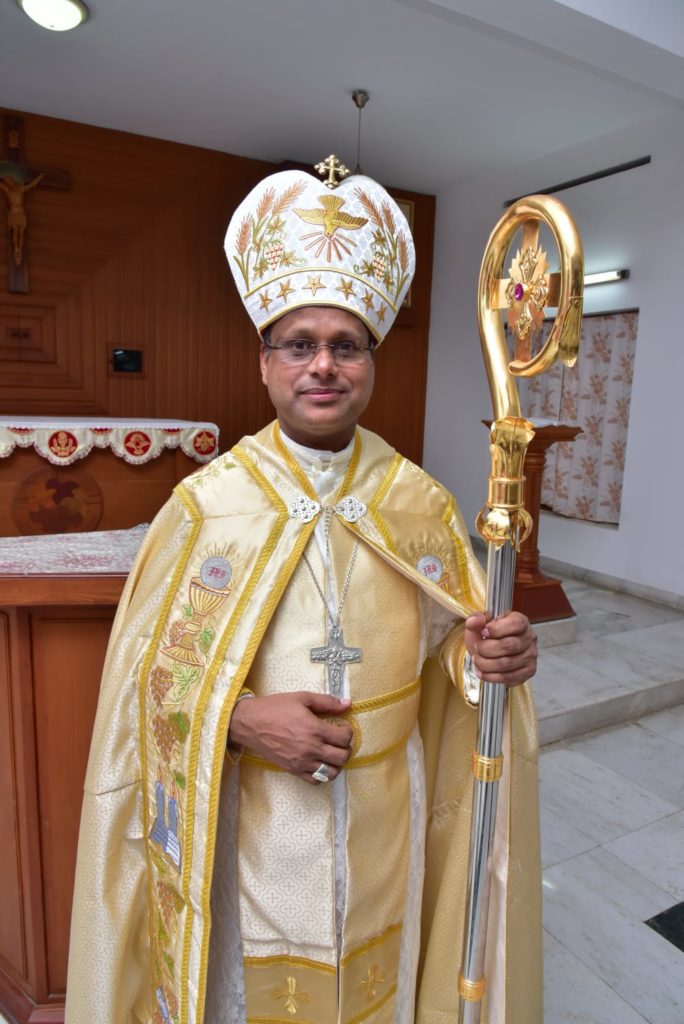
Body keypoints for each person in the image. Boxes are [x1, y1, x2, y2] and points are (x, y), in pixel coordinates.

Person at [66, 163, 542, 1024]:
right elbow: (145, 684)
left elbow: (453, 652)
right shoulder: (208, 507)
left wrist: (487, 660)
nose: (323, 365)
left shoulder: (419, 503)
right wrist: (239, 717)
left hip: (387, 828)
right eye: (299, 344)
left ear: (371, 364)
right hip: (256, 834)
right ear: (265, 363)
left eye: (346, 345)